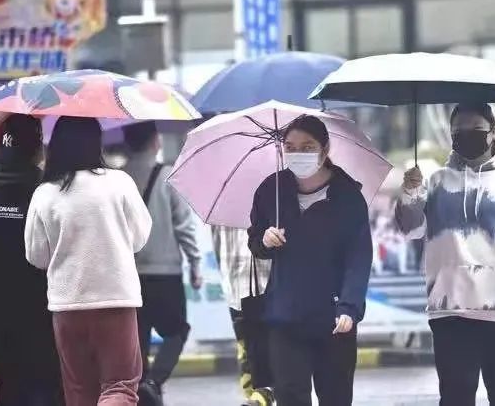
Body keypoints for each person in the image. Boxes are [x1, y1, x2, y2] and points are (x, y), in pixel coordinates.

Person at [394, 103, 495, 406]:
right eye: (458, 131)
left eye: (475, 130)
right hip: (449, 306)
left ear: (493, 133)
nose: (466, 136)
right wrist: (410, 195)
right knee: (455, 396)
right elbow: (410, 229)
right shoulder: (436, 181)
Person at [24, 116, 152, 406]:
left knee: (79, 390)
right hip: (116, 300)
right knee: (120, 387)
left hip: (67, 306)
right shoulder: (119, 182)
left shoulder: (45, 192)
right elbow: (139, 238)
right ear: (97, 142)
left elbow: (36, 256)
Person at [248, 115, 372, 406]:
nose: (297, 154)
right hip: (284, 317)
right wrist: (264, 240)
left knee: (336, 397)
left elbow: (359, 257)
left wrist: (349, 307)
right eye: (290, 147)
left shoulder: (348, 196)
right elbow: (255, 243)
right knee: (290, 395)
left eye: (307, 147)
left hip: (334, 319)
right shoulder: (270, 191)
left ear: (325, 149)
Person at [0, 115, 64, 405]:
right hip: (46, 315)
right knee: (47, 388)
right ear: (37, 149)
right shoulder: (48, 197)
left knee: (9, 385)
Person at [122, 122, 202, 405]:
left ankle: (142, 390)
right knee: (177, 330)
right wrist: (195, 263)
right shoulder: (169, 176)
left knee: (137, 338)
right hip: (165, 273)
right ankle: (154, 382)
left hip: (127, 276)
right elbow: (184, 226)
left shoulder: (117, 179)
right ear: (155, 140)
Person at [211, 226, 275, 406]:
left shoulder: (224, 210)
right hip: (243, 284)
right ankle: (258, 395)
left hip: (248, 282)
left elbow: (217, 245)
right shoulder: (270, 207)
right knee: (248, 344)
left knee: (255, 344)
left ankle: (262, 394)